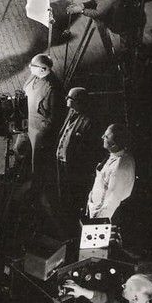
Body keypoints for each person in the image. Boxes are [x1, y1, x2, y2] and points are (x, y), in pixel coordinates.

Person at [66, 0, 138, 55]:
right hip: (122, 16)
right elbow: (97, 0)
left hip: (127, 24)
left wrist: (81, 10)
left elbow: (99, 14)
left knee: (127, 52)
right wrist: (83, 5)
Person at [56, 87, 99, 231]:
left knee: (73, 197)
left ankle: (71, 228)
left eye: (71, 99)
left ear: (80, 102)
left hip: (74, 168)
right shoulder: (71, 112)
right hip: (62, 162)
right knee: (63, 193)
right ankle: (64, 222)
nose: (67, 101)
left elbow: (89, 150)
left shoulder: (89, 121)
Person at [21, 53, 64, 180]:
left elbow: (55, 117)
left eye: (32, 65)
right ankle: (19, 174)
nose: (29, 67)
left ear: (43, 69)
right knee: (20, 148)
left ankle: (35, 188)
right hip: (26, 121)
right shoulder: (34, 75)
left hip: (38, 129)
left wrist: (42, 132)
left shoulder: (53, 88)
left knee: (37, 161)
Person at [86, 123, 135, 220]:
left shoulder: (120, 167)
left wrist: (99, 220)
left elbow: (113, 199)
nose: (102, 137)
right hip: (96, 209)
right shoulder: (115, 155)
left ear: (114, 143)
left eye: (106, 136)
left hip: (106, 216)